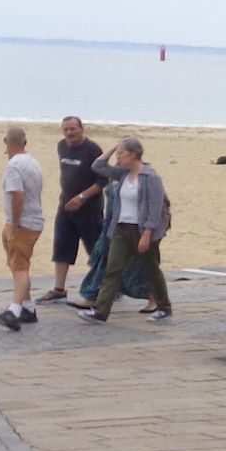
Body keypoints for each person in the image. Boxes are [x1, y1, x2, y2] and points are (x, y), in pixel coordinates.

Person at [81, 137, 172, 323]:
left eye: (122, 153)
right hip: (121, 229)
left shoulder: (150, 177)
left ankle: (164, 307)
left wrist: (147, 234)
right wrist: (115, 146)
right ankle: (101, 312)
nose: (118, 157)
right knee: (112, 270)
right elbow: (98, 166)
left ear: (133, 154)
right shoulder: (122, 174)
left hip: (142, 230)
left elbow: (155, 209)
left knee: (151, 269)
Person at [42, 115, 104, 302]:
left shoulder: (92, 150)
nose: (69, 133)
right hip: (66, 207)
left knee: (96, 250)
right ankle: (59, 289)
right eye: (66, 130)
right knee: (61, 247)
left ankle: (105, 286)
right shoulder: (62, 146)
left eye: (73, 129)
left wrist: (82, 197)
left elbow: (103, 181)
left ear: (81, 129)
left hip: (89, 209)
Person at [0, 126, 46, 330]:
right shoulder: (33, 163)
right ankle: (27, 306)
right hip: (31, 221)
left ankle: (14, 310)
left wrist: (14, 223)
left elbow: (17, 195)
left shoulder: (13, 166)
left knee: (20, 267)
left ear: (7, 143)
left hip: (22, 223)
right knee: (18, 265)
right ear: (24, 142)